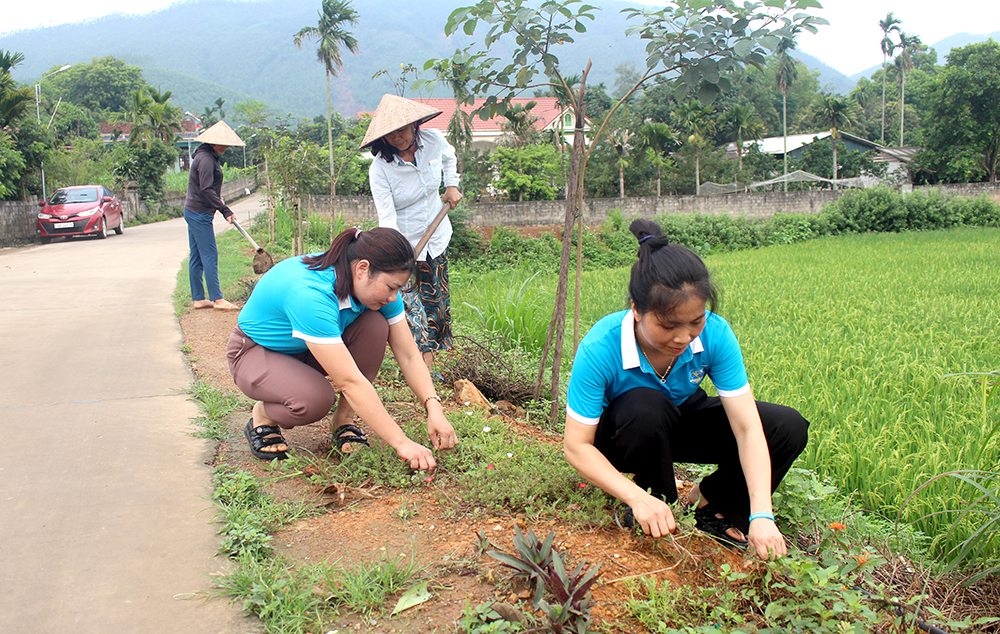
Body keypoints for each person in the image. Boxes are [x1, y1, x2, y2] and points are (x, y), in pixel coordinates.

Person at [563, 219, 809, 560]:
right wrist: (637, 498)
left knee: (786, 427)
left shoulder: (716, 334)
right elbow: (576, 446)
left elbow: (746, 426)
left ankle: (715, 505)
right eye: (667, 325)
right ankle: (657, 500)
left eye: (695, 322)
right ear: (636, 309)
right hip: (625, 431)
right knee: (644, 406)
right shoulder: (601, 348)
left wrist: (762, 512)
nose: (683, 337)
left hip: (679, 414)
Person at [227, 226, 457, 470]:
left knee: (375, 325)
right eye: (391, 287)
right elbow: (349, 380)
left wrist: (434, 408)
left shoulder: (376, 287)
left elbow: (410, 356)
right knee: (314, 399)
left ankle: (344, 420)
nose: (394, 297)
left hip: (308, 348)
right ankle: (263, 415)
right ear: (362, 268)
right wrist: (402, 443)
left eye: (398, 289)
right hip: (257, 351)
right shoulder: (311, 294)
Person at [362, 94, 463, 372]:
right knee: (410, 307)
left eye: (402, 130)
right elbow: (387, 217)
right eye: (390, 134)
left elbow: (450, 156)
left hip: (437, 237)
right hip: (404, 246)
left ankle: (431, 363)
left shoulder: (433, 141)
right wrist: (396, 255)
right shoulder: (380, 169)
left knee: (436, 303)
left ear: (415, 124)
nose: (398, 137)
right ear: (382, 139)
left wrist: (451, 185)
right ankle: (423, 369)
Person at [184, 120, 243, 311]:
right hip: (199, 213)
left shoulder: (203, 156)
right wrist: (225, 210)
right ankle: (217, 299)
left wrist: (219, 202)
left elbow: (207, 189)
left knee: (197, 255)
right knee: (209, 254)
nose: (226, 147)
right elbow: (207, 189)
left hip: (194, 210)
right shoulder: (207, 159)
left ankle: (199, 298)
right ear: (214, 142)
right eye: (224, 144)